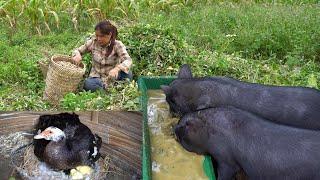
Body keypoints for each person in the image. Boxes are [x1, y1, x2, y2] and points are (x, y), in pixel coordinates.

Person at [72, 20, 133, 92]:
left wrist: (117, 69)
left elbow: (128, 60)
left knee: (128, 75)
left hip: (113, 77)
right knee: (88, 84)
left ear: (109, 34)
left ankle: (108, 89)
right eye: (97, 36)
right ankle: (109, 90)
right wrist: (78, 55)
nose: (99, 39)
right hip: (97, 78)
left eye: (102, 36)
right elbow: (77, 50)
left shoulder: (117, 45)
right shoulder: (93, 42)